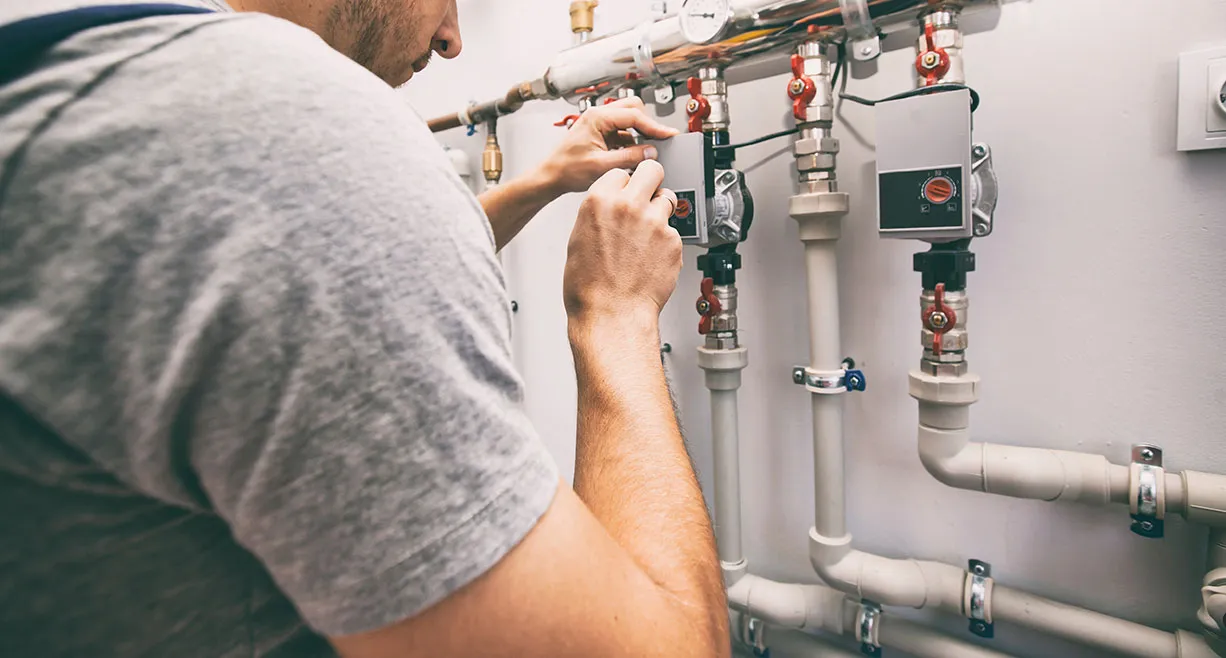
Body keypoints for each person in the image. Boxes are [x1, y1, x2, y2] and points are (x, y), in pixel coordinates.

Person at [0, 0, 732, 656]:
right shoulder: (290, 121)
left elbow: (299, 275)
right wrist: (614, 311)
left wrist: (540, 183)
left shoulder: (79, 83)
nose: (451, 39)